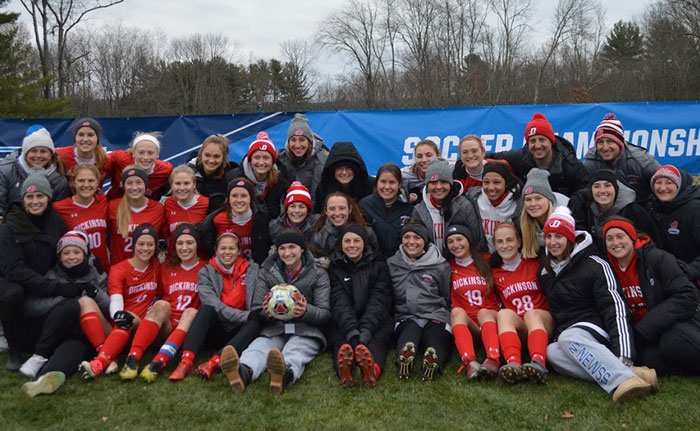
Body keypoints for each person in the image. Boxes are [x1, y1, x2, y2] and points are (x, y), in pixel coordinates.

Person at [539, 207, 657, 402]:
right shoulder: (544, 270)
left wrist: (624, 355)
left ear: (570, 238)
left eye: (559, 236)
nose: (553, 242)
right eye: (549, 236)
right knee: (551, 353)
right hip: (569, 334)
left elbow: (615, 308)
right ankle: (633, 375)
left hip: (596, 328)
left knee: (569, 337)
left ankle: (622, 381)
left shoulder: (595, 264)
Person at [217, 229, 331, 395]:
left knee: (296, 350)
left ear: (302, 249)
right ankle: (243, 372)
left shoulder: (318, 273)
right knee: (259, 347)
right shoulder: (267, 271)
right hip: (275, 327)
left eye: (292, 247)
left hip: (306, 329)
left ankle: (284, 374)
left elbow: (325, 313)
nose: (287, 253)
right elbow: (257, 308)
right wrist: (266, 313)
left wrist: (306, 311)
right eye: (282, 248)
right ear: (277, 250)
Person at [0, 172, 81, 371]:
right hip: (13, 281)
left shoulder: (55, 221)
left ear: (48, 197)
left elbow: (62, 252)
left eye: (40, 196)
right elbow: (15, 269)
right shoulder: (10, 227)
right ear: (23, 199)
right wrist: (53, 287)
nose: (35, 201)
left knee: (71, 304)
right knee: (13, 294)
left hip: (44, 279)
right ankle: (14, 348)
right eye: (30, 197)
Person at [603, 217, 700, 376]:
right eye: (609, 238)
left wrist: (645, 328)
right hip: (645, 334)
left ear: (632, 237)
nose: (615, 242)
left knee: (672, 343)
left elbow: (687, 296)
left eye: (620, 236)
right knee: (649, 359)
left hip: (676, 323)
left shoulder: (657, 258)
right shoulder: (606, 269)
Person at [19, 231, 105, 396]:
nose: (71, 257)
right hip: (50, 328)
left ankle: (44, 379)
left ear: (85, 254)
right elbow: (29, 307)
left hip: (77, 333)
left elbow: (107, 309)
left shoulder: (97, 274)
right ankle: (40, 355)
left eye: (76, 252)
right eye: (66, 253)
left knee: (76, 346)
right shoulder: (51, 275)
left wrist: (96, 293)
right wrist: (64, 296)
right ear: (59, 257)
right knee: (72, 306)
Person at [168, 231, 261, 382]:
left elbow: (257, 299)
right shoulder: (206, 271)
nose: (227, 252)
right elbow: (213, 304)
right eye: (223, 248)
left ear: (238, 251)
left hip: (241, 329)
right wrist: (245, 315)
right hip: (218, 326)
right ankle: (186, 361)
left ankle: (213, 363)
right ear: (216, 250)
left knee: (256, 322)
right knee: (206, 309)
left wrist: (248, 316)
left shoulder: (252, 269)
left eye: (231, 248)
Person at [117, 224, 206, 382]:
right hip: (167, 328)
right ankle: (132, 360)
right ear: (174, 245)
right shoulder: (165, 267)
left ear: (197, 244)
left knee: (191, 312)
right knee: (161, 305)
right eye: (180, 243)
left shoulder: (207, 267)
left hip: (189, 330)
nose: (184, 248)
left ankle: (157, 363)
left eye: (189, 242)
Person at [79, 223, 160, 379]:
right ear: (133, 245)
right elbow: (116, 299)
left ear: (156, 246)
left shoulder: (158, 267)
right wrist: (119, 315)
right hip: (120, 325)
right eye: (141, 244)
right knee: (84, 302)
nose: (145, 248)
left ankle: (100, 362)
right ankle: (109, 356)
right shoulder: (119, 268)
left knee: (135, 314)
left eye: (150, 244)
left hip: (143, 329)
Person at [328, 225, 392, 388]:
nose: (352, 245)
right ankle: (344, 371)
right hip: (344, 321)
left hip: (374, 320)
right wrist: (353, 333)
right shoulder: (335, 267)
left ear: (365, 243)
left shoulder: (378, 265)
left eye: (357, 240)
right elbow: (339, 303)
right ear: (341, 244)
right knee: (341, 343)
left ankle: (372, 371)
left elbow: (379, 301)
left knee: (377, 341)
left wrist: (365, 332)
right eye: (347, 241)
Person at [387, 223, 452, 381]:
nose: (411, 241)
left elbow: (446, 294)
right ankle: (405, 356)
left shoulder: (440, 266)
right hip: (406, 315)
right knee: (410, 332)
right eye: (406, 237)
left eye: (417, 238)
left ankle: (433, 358)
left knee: (437, 336)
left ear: (426, 241)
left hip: (435, 314)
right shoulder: (391, 264)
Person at [490, 223, 552, 384]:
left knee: (531, 313)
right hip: (521, 327)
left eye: (509, 240)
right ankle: (513, 363)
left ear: (519, 241)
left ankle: (539, 362)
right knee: (503, 313)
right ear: (495, 245)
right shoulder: (496, 274)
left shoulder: (535, 264)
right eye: (500, 242)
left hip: (543, 322)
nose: (505, 246)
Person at [445, 225, 501, 381]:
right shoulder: (448, 267)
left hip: (492, 318)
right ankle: (470, 362)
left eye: (459, 239)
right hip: (471, 326)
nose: (455, 245)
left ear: (469, 240)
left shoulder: (487, 260)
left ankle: (493, 358)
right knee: (456, 312)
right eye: (450, 241)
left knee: (484, 312)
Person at [489, 113, 589, 196]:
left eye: (542, 140)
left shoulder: (569, 163)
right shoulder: (520, 157)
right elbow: (493, 157)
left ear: (551, 142)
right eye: (532, 141)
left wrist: (577, 200)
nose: (537, 145)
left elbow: (586, 186)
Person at [568, 169, 659, 253]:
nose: (602, 191)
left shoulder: (634, 211)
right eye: (597, 186)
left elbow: (653, 242)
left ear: (616, 189)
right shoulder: (587, 210)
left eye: (608, 185)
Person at [411, 158, 487, 255]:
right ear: (427, 185)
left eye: (443, 182)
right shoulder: (419, 210)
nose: (438, 187)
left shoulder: (464, 206)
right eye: (433, 183)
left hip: (459, 262)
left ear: (450, 184)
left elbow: (476, 239)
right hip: (431, 264)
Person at [641, 165, 700, 285]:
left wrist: (690, 270)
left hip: (691, 278)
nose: (663, 188)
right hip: (664, 277)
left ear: (680, 185)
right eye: (658, 182)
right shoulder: (651, 208)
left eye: (669, 182)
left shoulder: (694, 209)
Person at [583, 113, 660, 200]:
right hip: (604, 209)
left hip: (639, 208)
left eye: (610, 141)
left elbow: (664, 183)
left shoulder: (642, 161)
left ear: (620, 143)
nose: (605, 147)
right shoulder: (590, 161)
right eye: (600, 142)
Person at [0, 125, 69, 221]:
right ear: (25, 153)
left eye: (43, 151)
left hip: (44, 227)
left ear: (50, 155)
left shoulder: (59, 178)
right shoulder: (5, 170)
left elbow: (59, 212)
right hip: (11, 225)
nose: (38, 155)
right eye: (33, 151)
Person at [199, 177, 270, 264]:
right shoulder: (217, 220)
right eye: (234, 196)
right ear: (228, 199)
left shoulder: (261, 218)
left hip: (255, 271)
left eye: (244, 196)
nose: (239, 200)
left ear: (250, 198)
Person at [53, 164, 110, 271]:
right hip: (76, 271)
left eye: (91, 180)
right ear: (73, 183)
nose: (86, 185)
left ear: (98, 182)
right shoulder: (59, 207)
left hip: (102, 270)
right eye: (81, 180)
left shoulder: (103, 201)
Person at [107, 167, 166, 265]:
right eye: (129, 183)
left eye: (139, 182)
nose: (134, 187)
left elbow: (165, 235)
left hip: (148, 269)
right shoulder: (112, 206)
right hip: (119, 269)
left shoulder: (158, 208)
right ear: (124, 186)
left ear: (146, 185)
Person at [227, 132, 290, 220]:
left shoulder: (281, 183)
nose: (261, 162)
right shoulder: (233, 178)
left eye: (266, 158)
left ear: (273, 161)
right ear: (250, 160)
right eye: (257, 157)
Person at [359, 163, 413, 259]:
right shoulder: (365, 206)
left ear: (399, 184)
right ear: (376, 183)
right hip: (373, 263)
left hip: (402, 262)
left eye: (392, 182)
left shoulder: (408, 207)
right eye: (383, 182)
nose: (387, 187)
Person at [466, 160, 522, 253]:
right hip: (486, 256)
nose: (491, 188)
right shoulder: (474, 199)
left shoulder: (518, 203)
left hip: (513, 256)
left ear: (506, 183)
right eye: (486, 182)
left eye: (496, 182)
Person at [308, 191, 379, 261]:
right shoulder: (319, 236)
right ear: (326, 211)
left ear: (350, 209)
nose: (337, 213)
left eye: (342, 208)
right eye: (332, 209)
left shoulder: (367, 232)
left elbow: (376, 257)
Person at [518, 168, 568, 259]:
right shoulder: (521, 222)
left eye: (538, 198)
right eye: (528, 199)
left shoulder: (565, 221)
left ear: (548, 200)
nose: (533, 204)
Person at [107, 132, 173, 200]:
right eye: (141, 152)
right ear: (133, 153)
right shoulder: (120, 158)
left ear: (157, 153)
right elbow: (99, 161)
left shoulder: (165, 170)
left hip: (144, 208)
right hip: (113, 204)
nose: (146, 157)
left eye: (150, 153)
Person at [276, 113, 328, 199]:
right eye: (293, 140)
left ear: (309, 141)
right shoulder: (279, 158)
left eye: (302, 140)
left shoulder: (323, 159)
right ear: (288, 142)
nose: (297, 145)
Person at [313, 141, 373, 213]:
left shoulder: (370, 185)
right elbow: (318, 214)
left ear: (355, 170)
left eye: (348, 168)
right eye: (339, 168)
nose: (344, 172)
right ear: (333, 171)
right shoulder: (324, 187)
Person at [188, 134, 238, 214]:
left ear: (224, 157)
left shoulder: (232, 176)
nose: (211, 160)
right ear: (201, 154)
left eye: (216, 156)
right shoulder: (188, 173)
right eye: (207, 155)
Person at [56, 118, 112, 186]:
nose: (85, 139)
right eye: (81, 135)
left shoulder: (105, 161)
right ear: (75, 138)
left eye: (90, 135)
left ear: (97, 139)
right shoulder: (61, 155)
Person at [164, 165, 209, 243]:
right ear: (171, 185)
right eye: (178, 183)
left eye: (186, 183)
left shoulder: (206, 203)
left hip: (199, 254)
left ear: (194, 184)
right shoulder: (168, 204)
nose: (182, 188)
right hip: (173, 254)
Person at [401, 139, 441, 204]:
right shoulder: (407, 173)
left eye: (429, 155)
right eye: (419, 156)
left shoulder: (450, 169)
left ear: (438, 155)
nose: (424, 160)